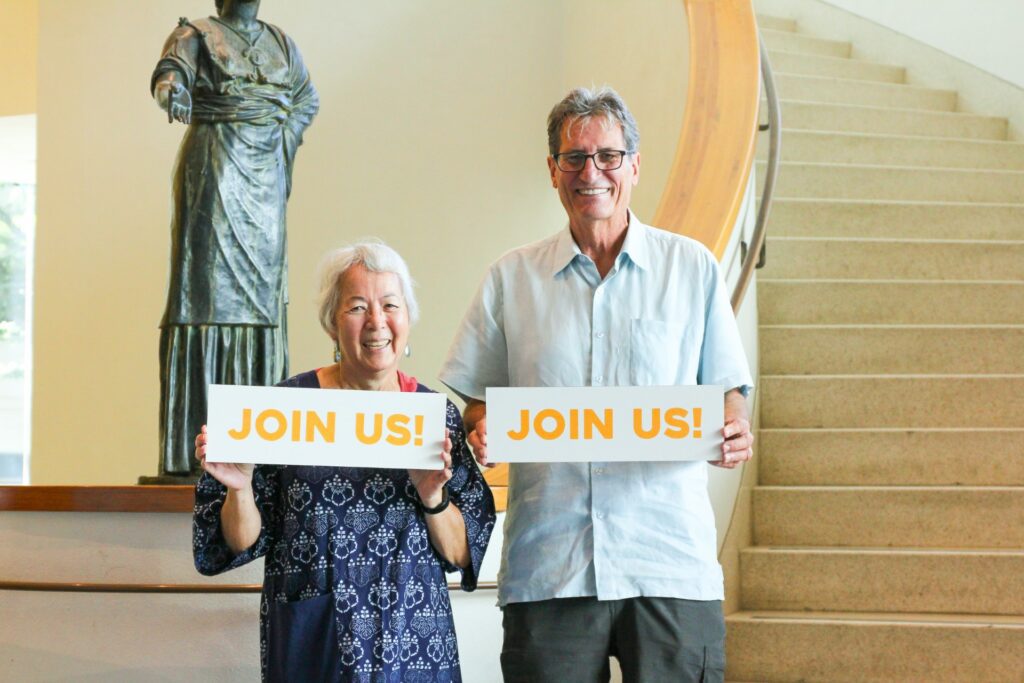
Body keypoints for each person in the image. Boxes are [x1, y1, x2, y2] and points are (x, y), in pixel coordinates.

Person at [439, 86, 754, 683]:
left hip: (668, 562)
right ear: (553, 171)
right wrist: (483, 429)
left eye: (607, 156)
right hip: (550, 567)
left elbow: (727, 391)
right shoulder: (511, 278)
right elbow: (477, 399)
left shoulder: (692, 269)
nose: (592, 172)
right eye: (574, 158)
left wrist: (734, 427)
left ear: (634, 165)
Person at [193, 241, 496, 682]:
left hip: (413, 645)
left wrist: (433, 497)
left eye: (390, 305)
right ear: (333, 325)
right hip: (313, 641)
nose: (376, 322)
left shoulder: (436, 417)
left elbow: (462, 552)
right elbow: (240, 542)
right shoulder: (283, 410)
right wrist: (239, 488)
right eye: (357, 307)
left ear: (406, 320)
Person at [151, 0, 319, 478]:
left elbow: (306, 98)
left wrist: (277, 134)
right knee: (202, 298)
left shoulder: (282, 42)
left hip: (264, 181)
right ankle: (194, 448)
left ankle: (259, 446)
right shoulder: (195, 34)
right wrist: (173, 90)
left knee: (262, 301)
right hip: (215, 167)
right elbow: (169, 76)